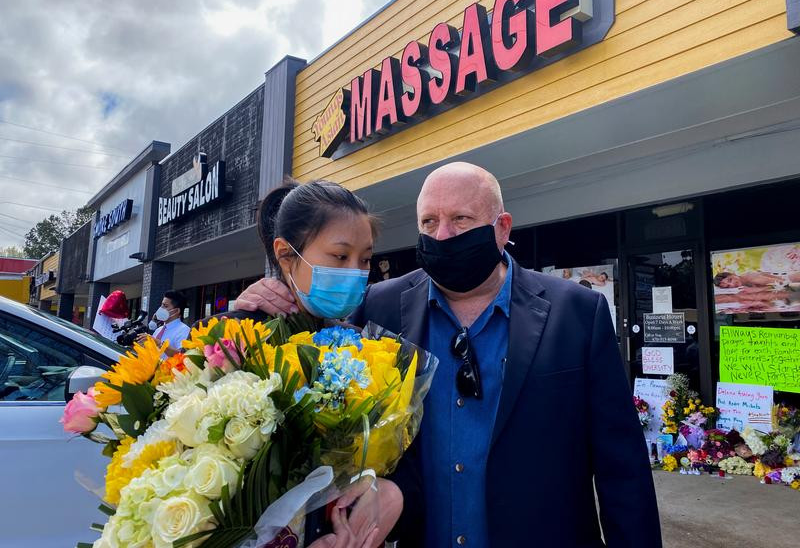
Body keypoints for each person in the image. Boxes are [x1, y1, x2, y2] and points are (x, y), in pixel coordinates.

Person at [236, 162, 662, 547]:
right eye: (429, 221)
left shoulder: (576, 312)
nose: (442, 235)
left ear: (501, 228)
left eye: (460, 219)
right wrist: (263, 303)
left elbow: (621, 469)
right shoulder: (379, 307)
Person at [222, 179, 403, 548]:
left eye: (365, 259)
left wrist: (377, 494)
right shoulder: (238, 339)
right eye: (340, 257)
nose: (355, 271)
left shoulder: (361, 345)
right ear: (287, 255)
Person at [136, 290, 190, 356]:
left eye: (165, 306)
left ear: (176, 311)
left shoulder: (184, 330)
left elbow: (182, 356)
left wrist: (159, 343)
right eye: (161, 305)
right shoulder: (158, 330)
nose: (161, 308)